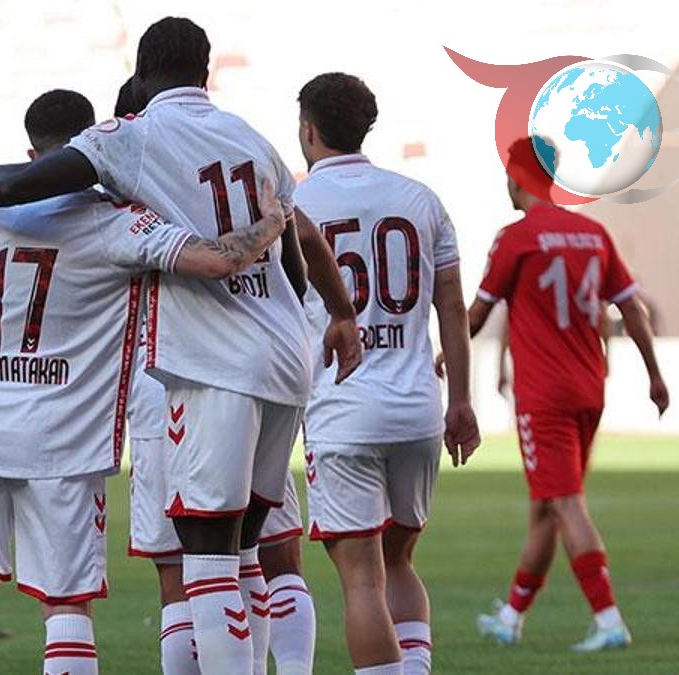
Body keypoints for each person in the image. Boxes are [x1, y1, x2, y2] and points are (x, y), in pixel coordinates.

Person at [0, 18, 361, 673]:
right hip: (277, 359)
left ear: (142, 71)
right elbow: (286, 261)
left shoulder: (15, 215)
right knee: (244, 552)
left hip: (3, 415)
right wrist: (301, 272)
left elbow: (13, 184)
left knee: (202, 560)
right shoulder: (249, 144)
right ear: (205, 68)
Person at [114, 75, 319, 675]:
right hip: (259, 368)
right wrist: (334, 312)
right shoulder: (239, 160)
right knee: (265, 552)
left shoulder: (128, 196)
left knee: (187, 570)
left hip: (174, 381)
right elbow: (301, 243)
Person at [293, 72, 480, 675]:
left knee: (362, 580)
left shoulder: (294, 205)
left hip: (342, 409)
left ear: (309, 130)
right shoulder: (419, 199)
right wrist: (461, 401)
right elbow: (452, 307)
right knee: (399, 563)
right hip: (417, 409)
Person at [460, 137, 669, 652]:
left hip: (544, 395)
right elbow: (631, 309)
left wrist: (445, 354)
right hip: (588, 388)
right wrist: (654, 375)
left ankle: (608, 619)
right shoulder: (594, 234)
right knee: (548, 508)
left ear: (519, 178)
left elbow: (479, 313)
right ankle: (511, 617)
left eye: (509, 175)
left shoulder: (516, 238)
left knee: (567, 504)